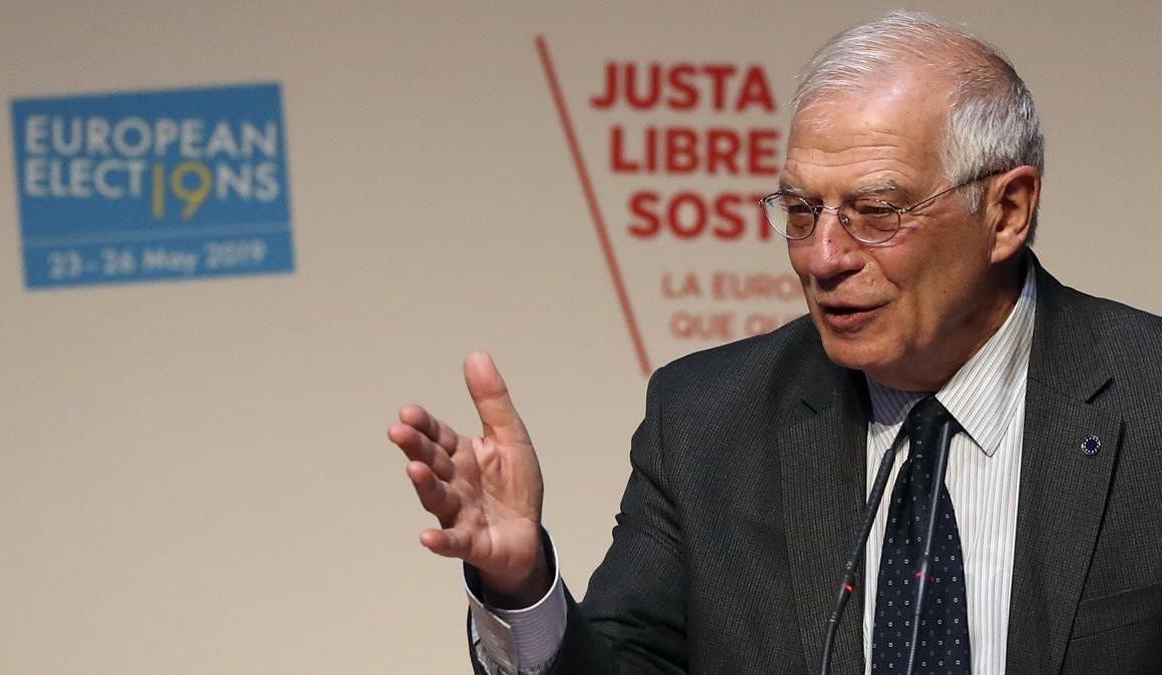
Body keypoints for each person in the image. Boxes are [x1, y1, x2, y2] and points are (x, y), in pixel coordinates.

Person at [388, 11, 1162, 674]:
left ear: (1007, 211)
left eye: (876, 211)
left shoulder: (1147, 397)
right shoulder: (706, 423)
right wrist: (524, 586)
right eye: (800, 212)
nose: (824, 256)